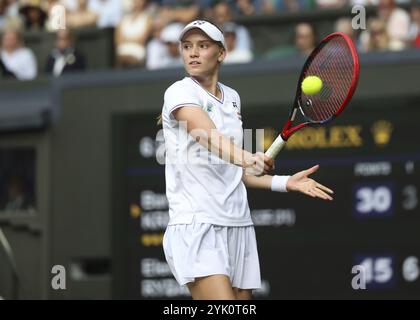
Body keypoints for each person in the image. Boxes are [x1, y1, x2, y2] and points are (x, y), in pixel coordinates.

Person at [160, 20, 334, 300]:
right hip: (198, 223)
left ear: (221, 54)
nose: (193, 53)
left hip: (239, 224)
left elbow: (236, 172)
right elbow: (207, 136)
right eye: (187, 46)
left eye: (203, 46)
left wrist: (285, 182)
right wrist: (246, 157)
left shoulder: (232, 98)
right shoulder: (179, 91)